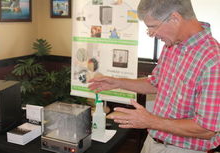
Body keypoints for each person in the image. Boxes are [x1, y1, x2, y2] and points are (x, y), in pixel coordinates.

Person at [88, 0, 220, 153]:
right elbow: (156, 83)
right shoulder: (172, 45)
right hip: (152, 141)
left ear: (175, 18)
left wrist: (150, 121)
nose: (151, 34)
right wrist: (117, 82)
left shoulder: (213, 61)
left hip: (182, 149)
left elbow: (205, 129)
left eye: (152, 26)